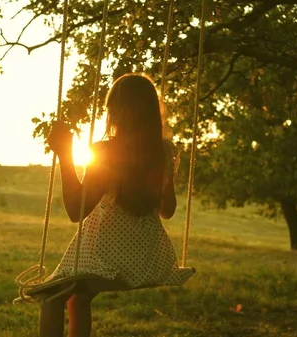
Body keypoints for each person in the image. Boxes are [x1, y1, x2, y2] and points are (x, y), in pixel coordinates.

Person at [42, 73, 193, 337]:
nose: (107, 117)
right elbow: (167, 210)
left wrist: (66, 155)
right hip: (149, 259)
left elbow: (75, 210)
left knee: (51, 296)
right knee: (78, 298)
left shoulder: (106, 152)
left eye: (110, 110)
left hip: (108, 259)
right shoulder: (165, 152)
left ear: (126, 111)